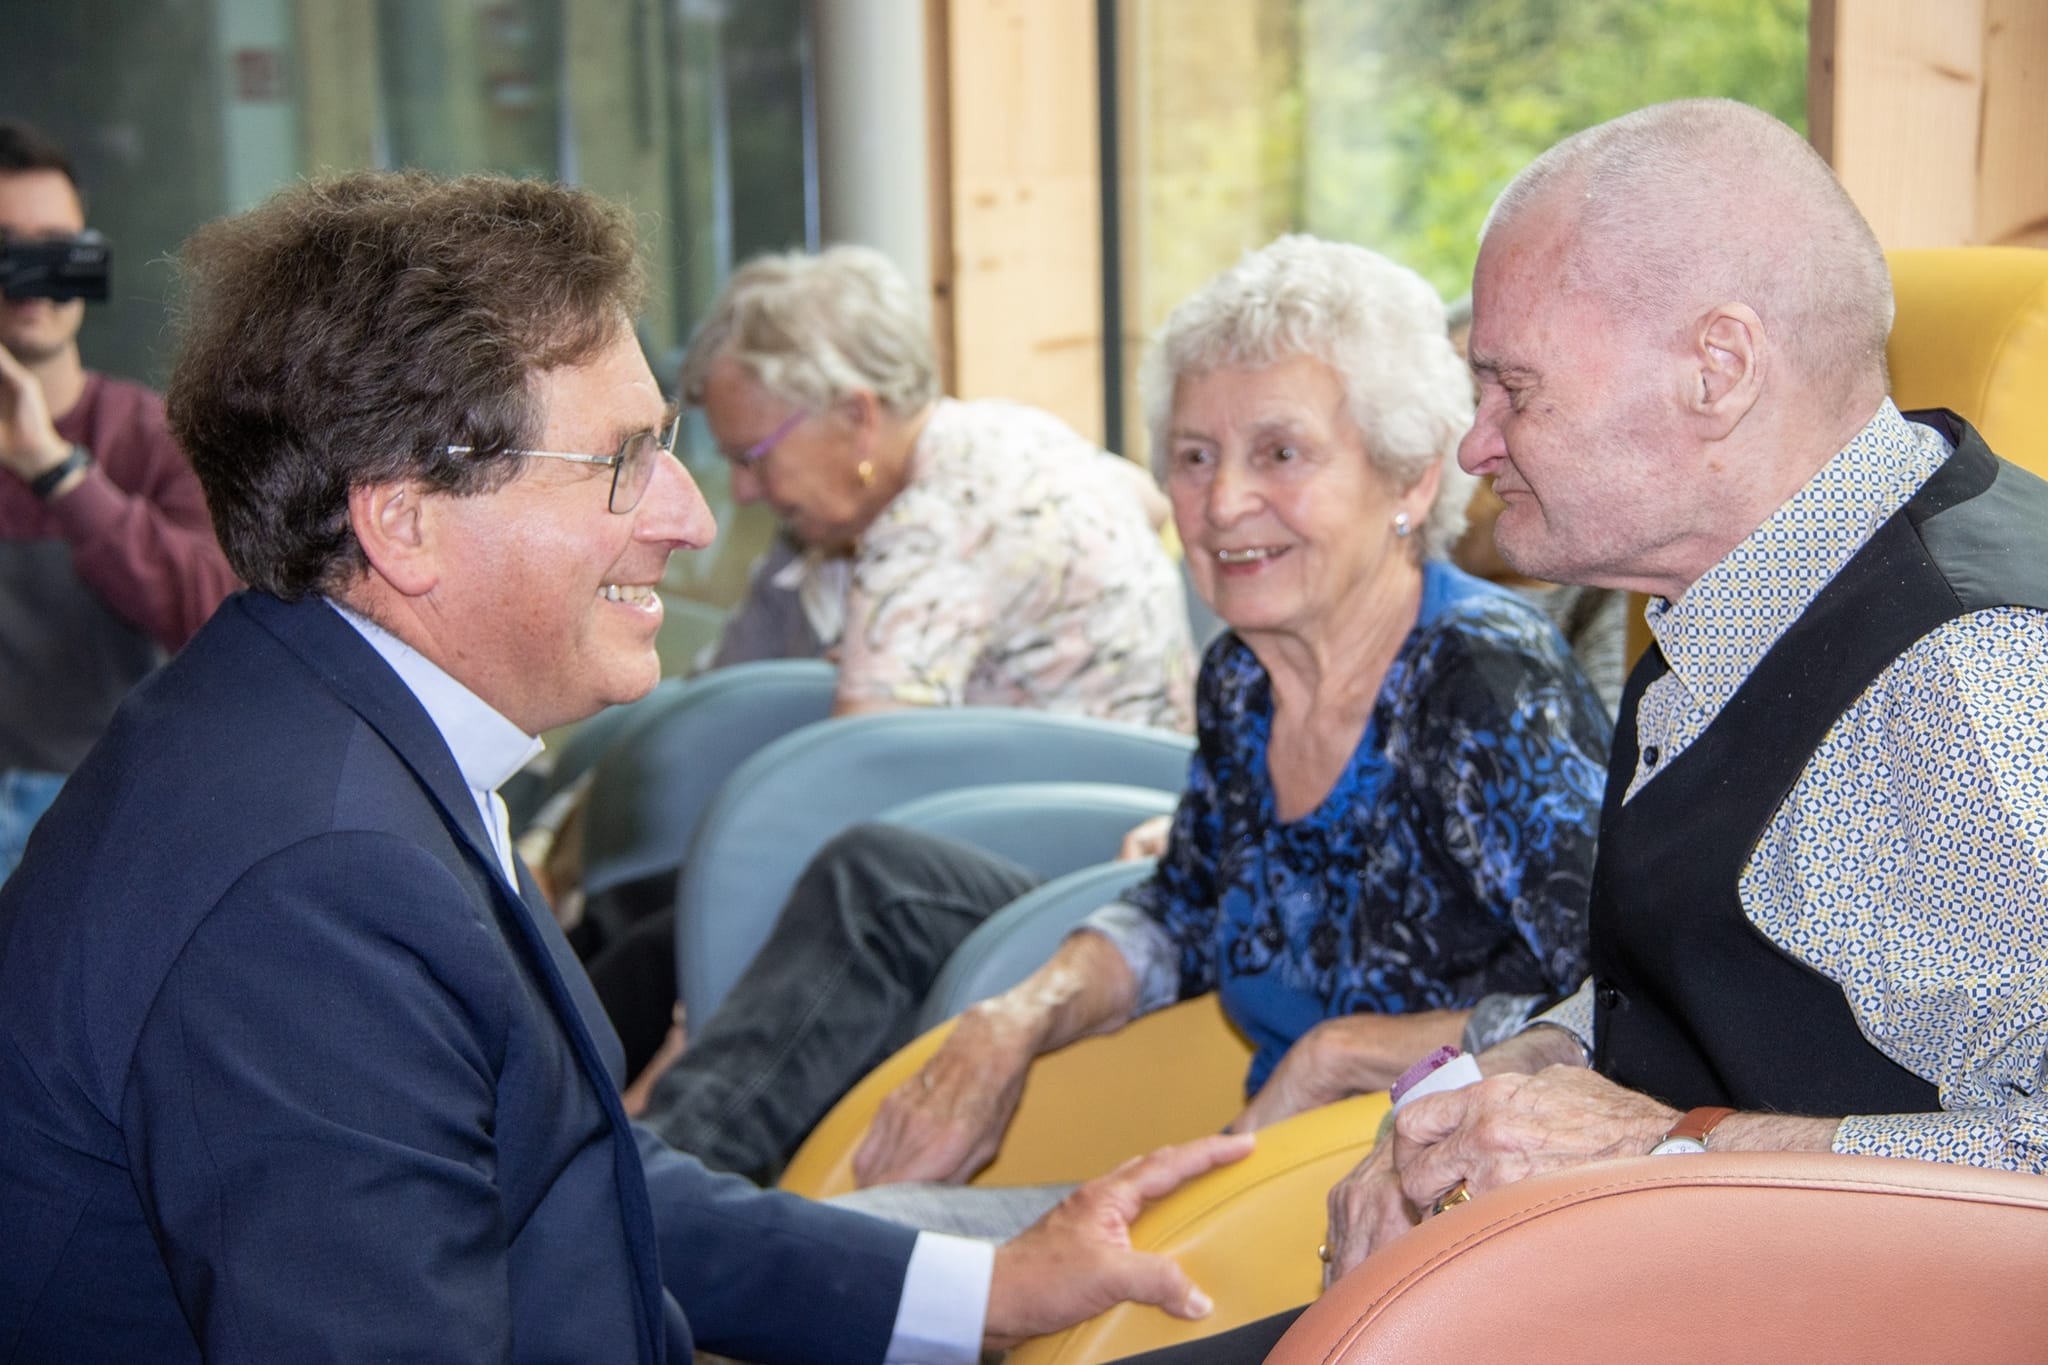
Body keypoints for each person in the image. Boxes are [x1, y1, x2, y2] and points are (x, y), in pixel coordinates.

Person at [0, 169, 1257, 1364]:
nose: (691, 517)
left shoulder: (304, 725)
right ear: (403, 519)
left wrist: (990, 1289)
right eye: (621, 460)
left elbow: (564, 1173)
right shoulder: (311, 886)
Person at [1127, 97, 2048, 1365]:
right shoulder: (1736, 598)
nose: (1472, 442)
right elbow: (1730, 952)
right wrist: (1513, 1070)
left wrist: (1665, 1144)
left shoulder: (1964, 676)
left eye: (1511, 385)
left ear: (1714, 372)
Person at [639, 235, 1610, 1199]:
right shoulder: (1242, 676)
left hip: (1422, 1201)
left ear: (1407, 479)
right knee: (872, 1246)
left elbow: (1611, 1006)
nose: (1224, 501)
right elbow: (1176, 912)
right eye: (1194, 456)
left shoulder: (1481, 681)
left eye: (1279, 453)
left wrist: (1341, 1054)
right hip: (1253, 1180)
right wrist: (1009, 1021)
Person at [685, 243, 1191, 726]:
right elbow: (1146, 500)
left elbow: (857, 769)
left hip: (1090, 799)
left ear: (856, 416)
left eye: (753, 457)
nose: (741, 491)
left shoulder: (932, 523)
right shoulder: (1001, 428)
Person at [0, 119, 235, 878]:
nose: (30, 274)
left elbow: (216, 611)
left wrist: (58, 473)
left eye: (53, 243)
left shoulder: (151, 435)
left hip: (113, 819)